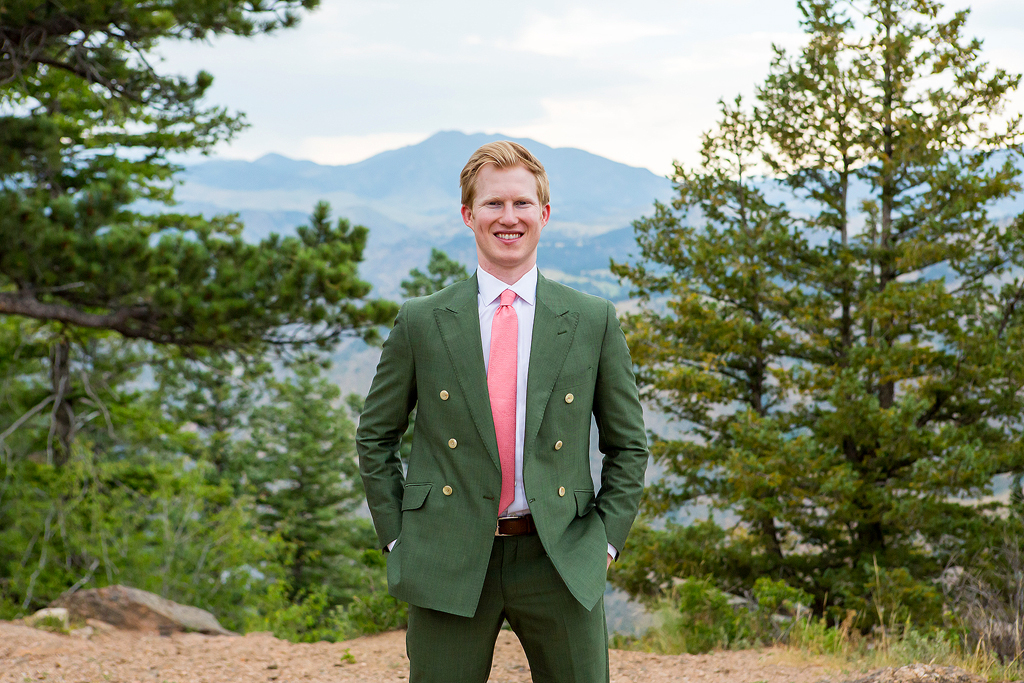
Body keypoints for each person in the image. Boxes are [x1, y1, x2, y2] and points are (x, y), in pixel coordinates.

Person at [356, 140, 648, 683]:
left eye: (521, 204)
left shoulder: (592, 320)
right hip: (447, 552)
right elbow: (375, 436)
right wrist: (399, 537)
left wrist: (604, 543)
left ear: (544, 214)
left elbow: (629, 444)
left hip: (561, 552)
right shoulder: (422, 321)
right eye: (493, 204)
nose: (508, 218)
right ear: (468, 215)